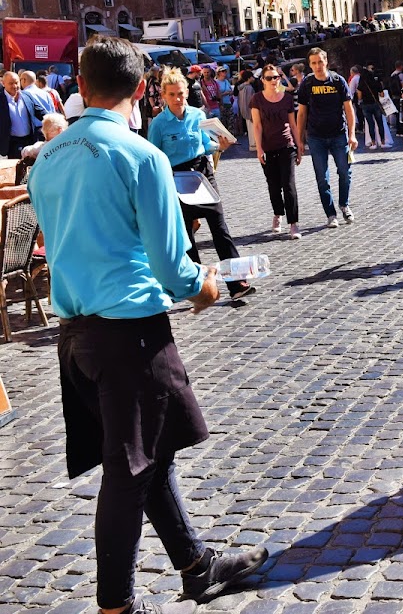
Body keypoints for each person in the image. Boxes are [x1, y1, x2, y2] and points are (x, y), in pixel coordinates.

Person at [28, 36, 268, 614]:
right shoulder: (143, 157)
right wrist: (205, 286)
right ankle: (117, 607)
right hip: (130, 332)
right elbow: (172, 267)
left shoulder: (48, 159)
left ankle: (195, 564)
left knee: (149, 452)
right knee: (129, 470)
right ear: (141, 90)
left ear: (80, 87)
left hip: (76, 335)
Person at [147, 69, 255, 303]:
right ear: (164, 96)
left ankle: (237, 283)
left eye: (181, 94)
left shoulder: (198, 116)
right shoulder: (158, 124)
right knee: (186, 237)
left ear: (187, 93)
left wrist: (220, 146)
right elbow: (153, 157)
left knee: (220, 228)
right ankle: (197, 288)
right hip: (175, 178)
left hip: (202, 174)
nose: (178, 99)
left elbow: (206, 144)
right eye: (173, 94)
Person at [296, 48, 357, 228]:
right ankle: (330, 214)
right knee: (322, 178)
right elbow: (301, 114)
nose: (317, 66)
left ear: (326, 61)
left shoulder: (338, 81)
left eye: (320, 62)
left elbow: (349, 109)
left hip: (339, 134)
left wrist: (352, 134)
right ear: (310, 65)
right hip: (316, 137)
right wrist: (300, 140)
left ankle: (344, 204)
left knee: (345, 172)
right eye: (313, 63)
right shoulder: (307, 84)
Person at [250, 64, 302, 240]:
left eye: (276, 77)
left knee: (289, 185)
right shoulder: (257, 99)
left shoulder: (287, 99)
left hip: (286, 145)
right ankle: (278, 214)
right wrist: (259, 148)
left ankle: (293, 223)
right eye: (270, 78)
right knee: (273, 186)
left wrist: (298, 144)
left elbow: (293, 124)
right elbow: (256, 126)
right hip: (268, 147)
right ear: (263, 80)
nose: (274, 80)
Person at [1, 70, 49, 158]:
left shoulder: (26, 97)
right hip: (12, 143)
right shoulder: (1, 100)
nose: (14, 86)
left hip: (29, 141)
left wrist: (54, 121)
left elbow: (41, 112)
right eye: (11, 83)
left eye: (16, 83)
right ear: (3, 83)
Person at [357, 65, 389, 149]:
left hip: (365, 104)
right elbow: (381, 94)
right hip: (375, 103)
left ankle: (373, 143)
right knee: (380, 123)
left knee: (370, 124)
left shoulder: (362, 80)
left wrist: (360, 100)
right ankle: (382, 142)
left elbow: (359, 92)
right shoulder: (376, 80)